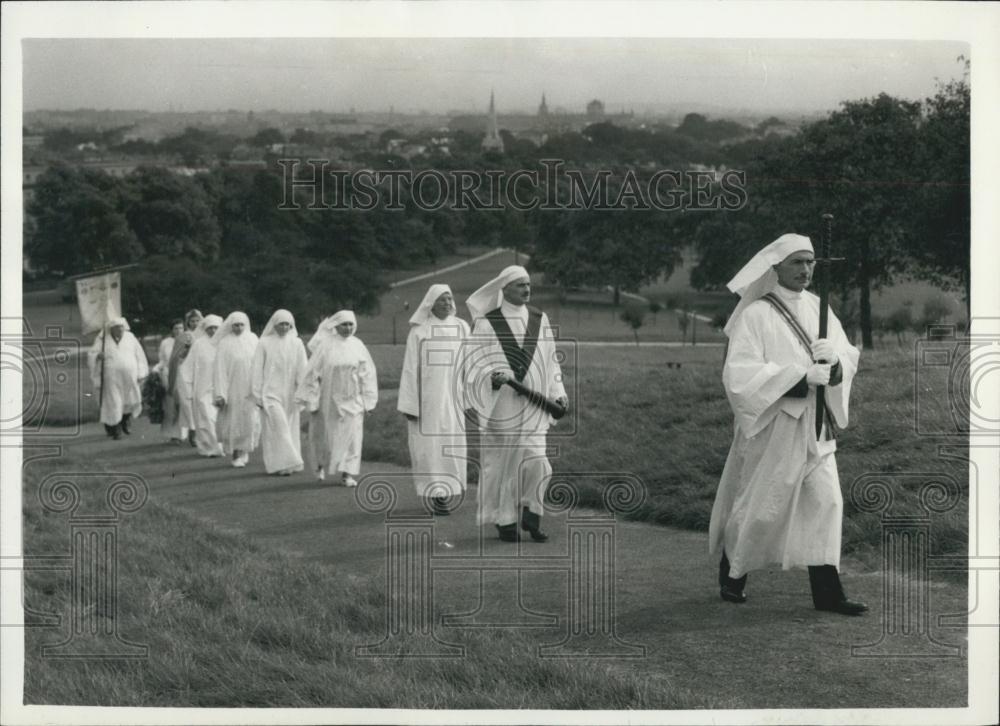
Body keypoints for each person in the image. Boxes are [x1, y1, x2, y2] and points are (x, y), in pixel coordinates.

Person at [708, 233, 868, 616]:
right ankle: (733, 573)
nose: (806, 269)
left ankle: (828, 594)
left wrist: (836, 365)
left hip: (817, 426)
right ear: (775, 267)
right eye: (797, 262)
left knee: (826, 502)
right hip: (776, 425)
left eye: (810, 262)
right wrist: (798, 377)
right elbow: (740, 374)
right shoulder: (755, 315)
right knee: (763, 508)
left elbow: (847, 354)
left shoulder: (820, 308)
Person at [466, 266, 567, 542]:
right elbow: (473, 365)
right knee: (504, 465)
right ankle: (505, 520)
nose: (526, 289)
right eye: (520, 285)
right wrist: (491, 379)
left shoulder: (539, 318)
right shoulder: (488, 323)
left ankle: (532, 513)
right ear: (505, 289)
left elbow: (550, 360)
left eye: (528, 284)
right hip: (502, 407)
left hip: (535, 406)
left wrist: (557, 392)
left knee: (538, 462)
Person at [398, 284, 471, 515]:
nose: (448, 304)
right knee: (430, 447)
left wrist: (471, 398)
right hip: (428, 399)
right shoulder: (420, 331)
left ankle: (450, 489)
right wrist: (410, 404)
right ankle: (437, 495)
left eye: (450, 299)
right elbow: (410, 369)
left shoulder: (462, 327)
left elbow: (471, 364)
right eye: (442, 300)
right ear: (431, 303)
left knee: (452, 443)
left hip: (454, 398)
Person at [297, 310, 377, 487]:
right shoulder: (325, 346)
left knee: (353, 436)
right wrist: (312, 399)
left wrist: (369, 401)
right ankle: (320, 465)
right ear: (335, 326)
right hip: (329, 400)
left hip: (353, 399)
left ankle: (347, 474)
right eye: (344, 324)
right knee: (326, 436)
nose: (348, 328)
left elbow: (368, 374)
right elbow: (311, 374)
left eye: (350, 324)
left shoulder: (358, 345)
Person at [251, 309, 308, 476]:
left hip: (291, 394)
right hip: (270, 394)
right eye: (281, 324)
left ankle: (285, 464)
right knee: (279, 427)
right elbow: (256, 370)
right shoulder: (264, 343)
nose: (284, 327)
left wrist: (303, 392)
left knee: (289, 427)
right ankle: (287, 462)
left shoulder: (297, 343)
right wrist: (257, 394)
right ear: (274, 325)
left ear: (291, 325)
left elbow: (302, 369)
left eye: (287, 324)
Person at [87, 316, 149, 440]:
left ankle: (124, 422)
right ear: (111, 329)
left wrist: (141, 373)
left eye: (121, 327)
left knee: (129, 401)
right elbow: (92, 353)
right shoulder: (103, 339)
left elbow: (140, 355)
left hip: (129, 377)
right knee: (114, 402)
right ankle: (116, 429)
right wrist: (98, 356)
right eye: (116, 328)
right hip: (111, 378)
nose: (120, 330)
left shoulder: (130, 337)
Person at [212, 311, 260, 468]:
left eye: (241, 325)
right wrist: (221, 393)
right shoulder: (225, 343)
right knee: (234, 420)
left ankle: (245, 449)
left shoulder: (253, 339)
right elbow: (219, 369)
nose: (238, 328)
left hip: (250, 386)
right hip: (233, 388)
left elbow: (260, 363)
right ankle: (236, 454)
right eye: (235, 325)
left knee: (250, 419)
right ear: (230, 326)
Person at [181, 314, 224, 457]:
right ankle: (209, 447)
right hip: (203, 387)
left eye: (215, 328)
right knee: (206, 417)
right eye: (210, 328)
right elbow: (188, 366)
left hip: (221, 387)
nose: (212, 331)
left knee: (219, 419)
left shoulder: (224, 343)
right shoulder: (199, 344)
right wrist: (188, 386)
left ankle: (220, 445)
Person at [168, 309, 203, 447]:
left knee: (200, 402)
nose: (195, 323)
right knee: (187, 403)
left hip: (201, 372)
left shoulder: (207, 335)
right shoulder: (183, 336)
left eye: (197, 320)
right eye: (192, 321)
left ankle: (200, 432)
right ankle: (192, 432)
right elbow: (175, 358)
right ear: (188, 322)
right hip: (185, 372)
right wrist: (187, 350)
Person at [157, 318, 186, 443]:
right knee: (171, 406)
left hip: (184, 376)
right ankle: (174, 435)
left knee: (183, 405)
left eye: (181, 328)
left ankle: (187, 433)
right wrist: (158, 371)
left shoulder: (188, 341)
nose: (179, 331)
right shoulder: (166, 343)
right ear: (171, 330)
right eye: (176, 328)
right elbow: (162, 360)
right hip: (170, 376)